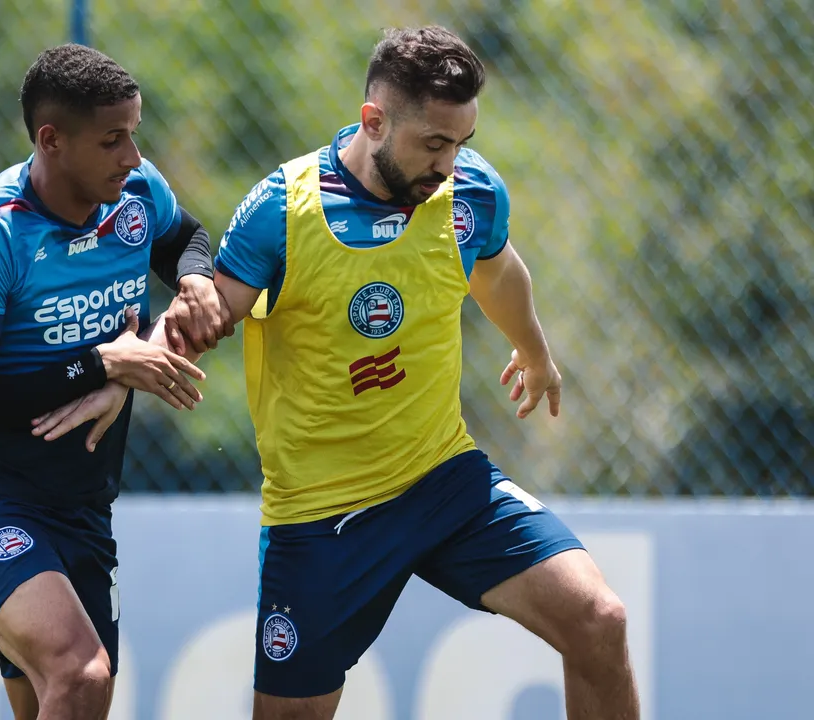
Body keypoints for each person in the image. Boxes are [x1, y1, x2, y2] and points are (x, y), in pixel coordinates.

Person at [37, 25, 641, 720]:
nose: (448, 164)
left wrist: (534, 350)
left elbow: (498, 272)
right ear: (374, 121)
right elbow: (203, 319)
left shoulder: (470, 195)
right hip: (322, 520)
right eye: (434, 144)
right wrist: (122, 373)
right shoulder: (284, 213)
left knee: (599, 618)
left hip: (445, 482)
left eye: (462, 144)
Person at [0, 43, 231, 720]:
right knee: (82, 673)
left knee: (64, 699)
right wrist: (103, 364)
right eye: (113, 140)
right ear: (51, 140)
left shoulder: (135, 195)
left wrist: (193, 277)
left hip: (86, 512)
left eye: (134, 134)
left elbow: (185, 235)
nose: (132, 156)